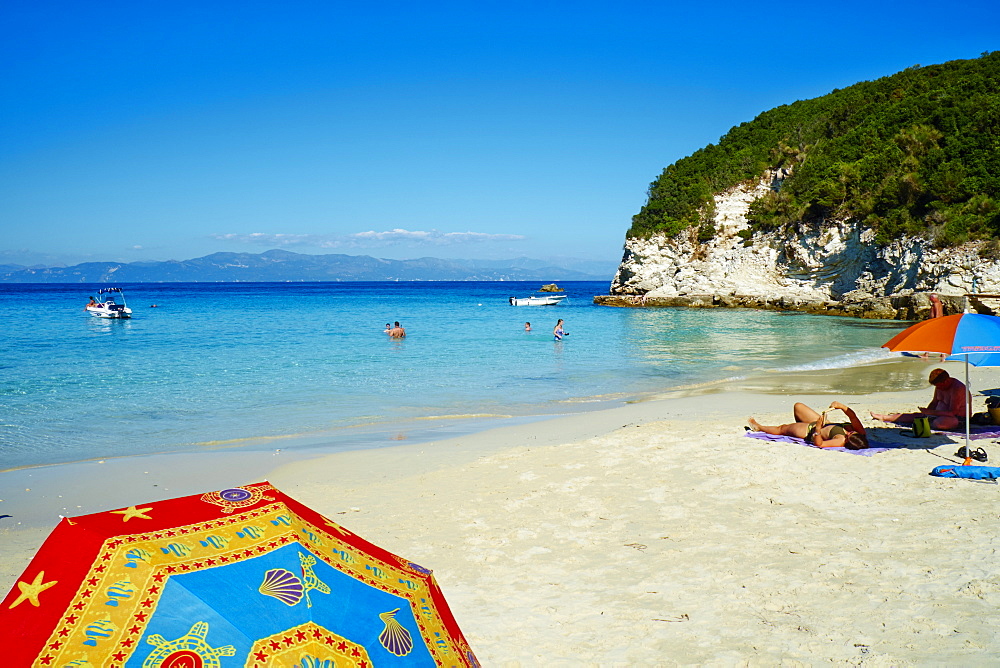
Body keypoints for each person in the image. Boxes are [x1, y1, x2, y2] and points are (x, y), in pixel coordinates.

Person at [871, 367, 967, 431]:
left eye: (939, 386)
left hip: (957, 419)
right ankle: (884, 417)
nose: (938, 388)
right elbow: (934, 402)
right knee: (916, 416)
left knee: (939, 423)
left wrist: (931, 413)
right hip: (938, 414)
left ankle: (930, 423)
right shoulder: (940, 386)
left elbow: (953, 412)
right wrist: (926, 412)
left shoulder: (957, 388)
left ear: (946, 381)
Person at [748, 401, 869, 449]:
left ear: (847, 440)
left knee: (782, 428)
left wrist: (817, 428)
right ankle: (796, 425)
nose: (849, 432)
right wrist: (841, 406)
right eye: (852, 432)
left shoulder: (840, 440)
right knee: (798, 406)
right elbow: (853, 416)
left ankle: (759, 427)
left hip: (809, 430)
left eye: (848, 435)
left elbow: (820, 444)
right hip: (823, 422)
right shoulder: (860, 431)